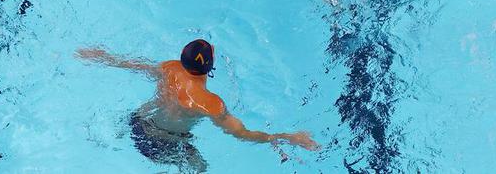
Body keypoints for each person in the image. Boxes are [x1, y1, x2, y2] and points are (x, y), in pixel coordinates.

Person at [76, 39, 319, 171]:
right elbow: (242, 134)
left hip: (137, 123)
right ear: (210, 66)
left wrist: (100, 56)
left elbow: (134, 65)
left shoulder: (168, 68)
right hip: (165, 145)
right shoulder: (210, 103)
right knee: (201, 167)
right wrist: (287, 137)